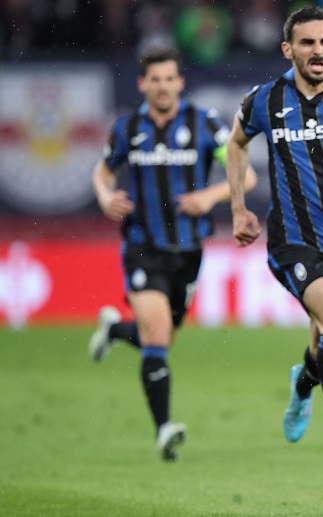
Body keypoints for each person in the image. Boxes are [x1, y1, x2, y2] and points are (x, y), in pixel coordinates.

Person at [225, 6, 323, 488]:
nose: (317, 51)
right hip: (293, 241)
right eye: (307, 43)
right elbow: (236, 143)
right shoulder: (265, 100)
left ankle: (303, 383)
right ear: (288, 49)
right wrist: (238, 207)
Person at [88, 47, 257, 461]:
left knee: (161, 337)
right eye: (155, 80)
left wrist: (210, 196)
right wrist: (105, 196)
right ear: (142, 84)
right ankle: (164, 429)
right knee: (158, 332)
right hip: (142, 247)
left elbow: (246, 175)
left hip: (188, 251)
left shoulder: (204, 123)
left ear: (180, 82)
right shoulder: (127, 129)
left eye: (169, 79)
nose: (162, 87)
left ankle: (114, 331)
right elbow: (103, 171)